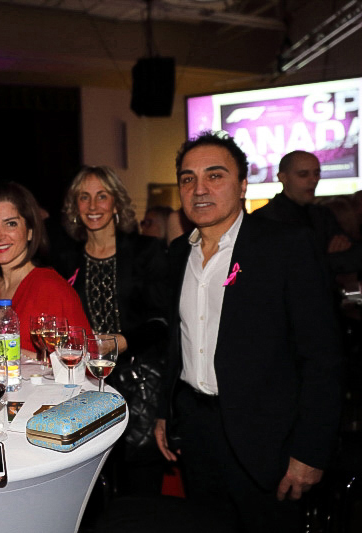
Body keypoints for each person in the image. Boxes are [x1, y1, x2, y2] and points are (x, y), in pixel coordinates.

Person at [154, 132, 342, 532]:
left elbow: (323, 357)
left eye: (214, 176)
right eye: (188, 179)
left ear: (242, 185)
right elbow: (178, 340)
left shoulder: (286, 246)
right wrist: (165, 412)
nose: (199, 189)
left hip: (266, 439)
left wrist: (311, 451)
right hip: (197, 432)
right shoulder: (178, 253)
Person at [58, 165, 168, 494]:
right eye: (84, 197)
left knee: (139, 491)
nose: (93, 206)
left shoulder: (146, 251)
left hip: (140, 382)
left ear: (117, 202)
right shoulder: (66, 259)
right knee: (95, 488)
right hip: (88, 388)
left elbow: (163, 322)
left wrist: (122, 341)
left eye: (102, 196)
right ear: (75, 206)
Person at [0, 182, 89, 349]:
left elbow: (87, 356)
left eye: (10, 223)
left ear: (30, 231)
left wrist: (24, 356)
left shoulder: (52, 287)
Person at [252, 150, 362, 275]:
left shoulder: (323, 214)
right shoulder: (264, 218)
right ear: (283, 178)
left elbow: (355, 255)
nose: (313, 180)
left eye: (316, 173)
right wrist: (327, 258)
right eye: (303, 174)